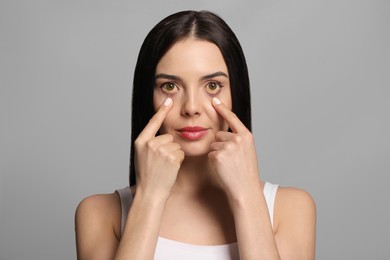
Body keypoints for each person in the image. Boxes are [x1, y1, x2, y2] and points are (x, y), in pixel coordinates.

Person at [75, 10, 316, 260]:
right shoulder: (99, 213)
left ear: (236, 94)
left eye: (212, 86)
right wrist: (149, 198)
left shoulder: (290, 209)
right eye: (170, 86)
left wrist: (246, 197)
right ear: (149, 97)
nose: (191, 107)